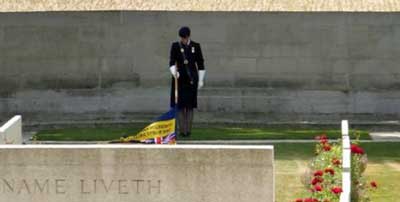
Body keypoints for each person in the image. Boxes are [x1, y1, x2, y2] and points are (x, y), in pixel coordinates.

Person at [169, 26, 205, 137]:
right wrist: (174, 72)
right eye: (182, 38)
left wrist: (201, 80)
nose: (183, 40)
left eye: (185, 38)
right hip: (179, 80)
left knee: (190, 106)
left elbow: (200, 64)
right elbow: (171, 62)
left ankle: (188, 130)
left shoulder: (196, 46)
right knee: (180, 106)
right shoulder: (175, 46)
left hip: (192, 80)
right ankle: (182, 130)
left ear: (188, 36)